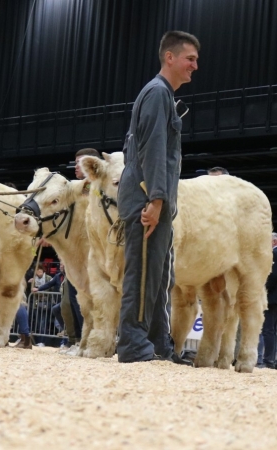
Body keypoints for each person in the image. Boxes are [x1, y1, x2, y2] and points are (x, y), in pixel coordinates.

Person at [116, 31, 200, 365]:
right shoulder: (156, 94)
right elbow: (153, 150)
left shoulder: (161, 95)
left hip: (151, 197)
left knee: (159, 274)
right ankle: (133, 345)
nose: (195, 65)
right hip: (145, 198)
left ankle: (156, 343)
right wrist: (155, 199)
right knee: (143, 272)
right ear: (170, 57)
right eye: (190, 58)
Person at [258, 233, 277, 369]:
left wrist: (263, 289)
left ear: (274, 241)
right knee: (273, 330)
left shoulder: (275, 254)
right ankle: (271, 359)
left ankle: (268, 360)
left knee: (268, 330)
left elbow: (273, 275)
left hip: (272, 298)